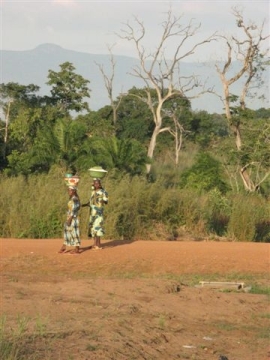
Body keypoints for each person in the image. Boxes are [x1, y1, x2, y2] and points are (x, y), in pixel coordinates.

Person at [82, 178, 108, 250]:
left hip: (99, 213)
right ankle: (94, 244)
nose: (97, 185)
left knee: (98, 227)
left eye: (98, 183)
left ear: (100, 184)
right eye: (95, 183)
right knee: (93, 228)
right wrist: (83, 205)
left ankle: (98, 244)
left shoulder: (103, 192)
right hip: (92, 213)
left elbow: (106, 201)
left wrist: (102, 200)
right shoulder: (93, 192)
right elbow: (90, 202)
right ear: (93, 184)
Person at [58, 185, 81, 254]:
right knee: (67, 231)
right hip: (70, 217)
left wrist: (70, 218)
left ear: (74, 191)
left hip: (73, 218)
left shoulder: (75, 199)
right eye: (68, 190)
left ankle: (77, 248)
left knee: (75, 232)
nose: (69, 191)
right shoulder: (73, 198)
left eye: (70, 190)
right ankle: (64, 246)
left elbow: (75, 209)